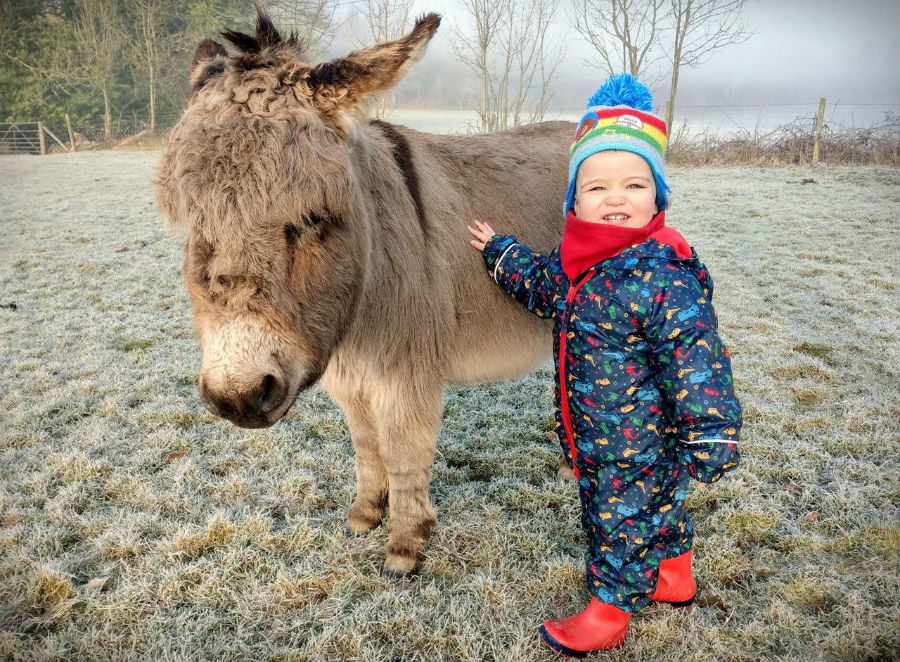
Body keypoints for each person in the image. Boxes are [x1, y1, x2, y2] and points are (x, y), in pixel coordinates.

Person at [467, 73, 742, 657]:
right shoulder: (578, 265)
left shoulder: (662, 275)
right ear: (575, 201)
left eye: (634, 184)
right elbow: (543, 286)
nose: (615, 197)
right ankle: (674, 576)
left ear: (658, 198)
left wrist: (712, 432)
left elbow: (698, 361)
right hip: (598, 431)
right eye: (596, 187)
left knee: (616, 522)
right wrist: (501, 251)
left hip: (633, 443)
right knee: (660, 506)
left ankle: (610, 608)